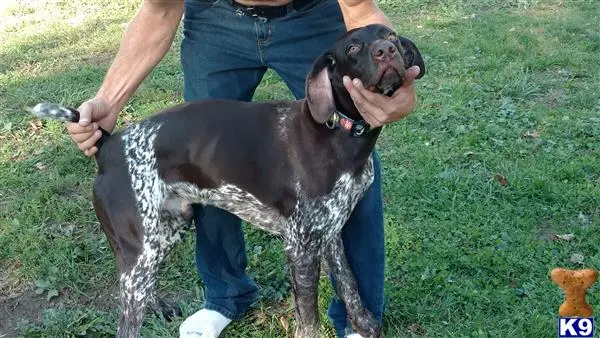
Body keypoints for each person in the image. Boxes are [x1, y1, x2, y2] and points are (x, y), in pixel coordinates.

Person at [66, 0, 420, 337]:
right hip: (215, 19)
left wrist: (399, 82)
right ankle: (224, 297)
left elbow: (361, 11)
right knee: (207, 162)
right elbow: (160, 11)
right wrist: (108, 100)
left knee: (346, 177)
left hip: (313, 14)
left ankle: (355, 320)